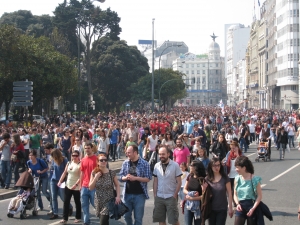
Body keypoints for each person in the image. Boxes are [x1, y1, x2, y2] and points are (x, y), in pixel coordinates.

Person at [119, 144, 152, 225]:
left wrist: (136, 178)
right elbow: (120, 177)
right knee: (126, 216)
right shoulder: (125, 163)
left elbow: (148, 178)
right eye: (126, 152)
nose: (127, 154)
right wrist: (125, 178)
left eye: (129, 152)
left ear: (135, 152)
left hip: (139, 195)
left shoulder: (145, 163)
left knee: (138, 218)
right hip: (127, 195)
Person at [152, 146, 182, 225]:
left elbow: (179, 182)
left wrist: (175, 194)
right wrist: (155, 195)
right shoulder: (156, 166)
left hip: (171, 197)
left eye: (163, 154)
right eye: (160, 154)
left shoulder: (175, 165)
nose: (161, 156)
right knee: (161, 220)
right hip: (159, 196)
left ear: (168, 154)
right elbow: (155, 181)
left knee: (174, 221)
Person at [89, 153, 121, 225]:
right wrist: (95, 178)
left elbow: (117, 185)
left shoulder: (111, 172)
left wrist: (118, 196)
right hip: (99, 201)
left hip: (109, 201)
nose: (103, 161)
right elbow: (90, 188)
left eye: (105, 160)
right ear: (97, 162)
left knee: (103, 221)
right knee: (104, 221)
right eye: (101, 160)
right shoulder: (94, 173)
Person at [203, 158, 233, 225]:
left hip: (222, 208)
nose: (216, 167)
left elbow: (230, 193)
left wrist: (230, 207)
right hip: (211, 209)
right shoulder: (207, 179)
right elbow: (204, 195)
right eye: (214, 165)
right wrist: (204, 189)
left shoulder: (225, 177)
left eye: (218, 165)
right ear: (210, 166)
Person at [233, 156, 262, 225]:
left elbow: (259, 196)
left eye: (237, 167)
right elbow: (235, 194)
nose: (236, 169)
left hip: (251, 205)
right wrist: (237, 204)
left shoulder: (255, 179)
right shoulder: (237, 179)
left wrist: (253, 208)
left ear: (244, 168)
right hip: (240, 206)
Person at [58, 150, 81, 223]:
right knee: (66, 202)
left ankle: (78, 217)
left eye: (76, 156)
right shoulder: (69, 163)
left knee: (77, 202)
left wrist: (76, 184)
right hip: (68, 185)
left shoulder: (80, 164)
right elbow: (65, 173)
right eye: (73, 155)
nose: (74, 157)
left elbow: (81, 176)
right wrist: (60, 181)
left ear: (79, 156)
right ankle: (65, 218)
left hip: (76, 186)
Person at [49, 149, 73, 220]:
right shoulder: (53, 160)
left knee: (62, 196)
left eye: (53, 155)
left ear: (57, 155)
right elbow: (52, 169)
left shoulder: (64, 160)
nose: (53, 157)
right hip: (53, 180)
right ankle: (55, 213)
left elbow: (67, 171)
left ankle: (70, 206)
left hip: (62, 181)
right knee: (53, 197)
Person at [183, 160, 206, 225]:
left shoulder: (202, 179)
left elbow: (204, 196)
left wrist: (192, 198)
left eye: (191, 165)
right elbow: (184, 189)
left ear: (196, 167)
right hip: (188, 205)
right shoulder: (190, 176)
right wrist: (190, 194)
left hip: (198, 206)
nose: (189, 166)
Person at [80, 142, 98, 225]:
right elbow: (82, 173)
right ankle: (86, 222)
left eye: (88, 148)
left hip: (94, 186)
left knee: (95, 204)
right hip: (84, 186)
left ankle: (103, 217)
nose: (87, 150)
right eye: (85, 148)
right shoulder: (83, 159)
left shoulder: (97, 159)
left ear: (92, 148)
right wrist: (80, 185)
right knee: (84, 206)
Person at [226, 141, 243, 206]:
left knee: (237, 189)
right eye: (231, 148)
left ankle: (238, 202)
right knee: (231, 190)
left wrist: (237, 154)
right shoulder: (229, 153)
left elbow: (242, 162)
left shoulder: (241, 154)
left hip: (238, 174)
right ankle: (235, 202)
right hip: (230, 174)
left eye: (234, 148)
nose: (233, 150)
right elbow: (227, 161)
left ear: (237, 147)